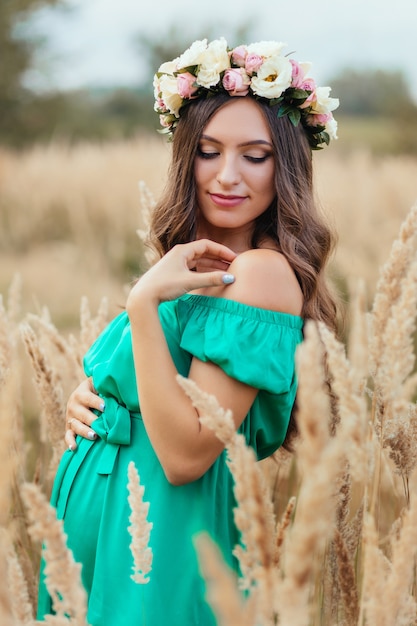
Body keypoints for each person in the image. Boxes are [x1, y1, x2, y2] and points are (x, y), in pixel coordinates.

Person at [37, 37, 339, 626]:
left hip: (164, 540)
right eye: (207, 150)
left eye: (255, 155)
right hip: (102, 531)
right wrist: (90, 401)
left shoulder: (258, 275)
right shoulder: (194, 269)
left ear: (287, 168)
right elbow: (153, 392)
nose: (227, 176)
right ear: (184, 156)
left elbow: (183, 456)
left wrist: (143, 303)